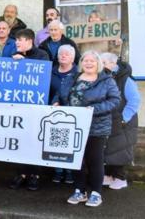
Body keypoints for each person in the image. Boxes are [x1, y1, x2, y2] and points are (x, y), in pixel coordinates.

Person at [56, 51, 120, 207]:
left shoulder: (106, 81)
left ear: (98, 63)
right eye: (85, 60)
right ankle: (80, 191)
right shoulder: (73, 78)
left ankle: (96, 193)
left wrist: (93, 109)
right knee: (76, 160)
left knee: (94, 160)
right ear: (81, 63)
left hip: (96, 127)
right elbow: (60, 94)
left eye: (92, 60)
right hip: (73, 125)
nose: (89, 63)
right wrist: (57, 102)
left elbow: (115, 100)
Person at [10, 29, 49, 191]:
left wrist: (24, 62)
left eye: (20, 40)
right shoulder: (13, 55)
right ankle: (22, 173)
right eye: (17, 40)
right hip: (19, 106)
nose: (17, 43)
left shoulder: (42, 54)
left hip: (37, 107)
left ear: (30, 41)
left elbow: (42, 74)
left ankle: (35, 175)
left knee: (35, 140)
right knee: (20, 140)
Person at [101, 53, 141, 190]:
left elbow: (134, 101)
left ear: (113, 63)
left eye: (103, 62)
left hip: (124, 120)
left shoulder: (126, 79)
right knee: (108, 148)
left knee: (120, 149)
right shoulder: (105, 76)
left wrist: (124, 118)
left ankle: (120, 178)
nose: (100, 64)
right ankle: (108, 176)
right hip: (109, 119)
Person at [49, 45, 79, 184]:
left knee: (70, 143)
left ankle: (69, 172)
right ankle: (58, 170)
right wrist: (54, 102)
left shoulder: (78, 73)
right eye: (61, 54)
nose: (63, 56)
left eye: (67, 54)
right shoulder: (51, 71)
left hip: (72, 114)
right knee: (56, 141)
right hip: (53, 113)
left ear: (73, 57)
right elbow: (56, 92)